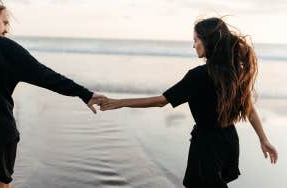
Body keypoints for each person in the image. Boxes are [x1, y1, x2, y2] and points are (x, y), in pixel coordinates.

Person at [0, 0, 104, 187]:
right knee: (2, 184)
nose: (7, 29)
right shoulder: (6, 47)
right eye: (5, 22)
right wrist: (85, 94)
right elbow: (45, 76)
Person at [99, 17, 278, 188]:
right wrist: (263, 139)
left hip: (207, 144)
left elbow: (161, 101)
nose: (193, 45)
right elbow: (250, 109)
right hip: (229, 141)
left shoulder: (198, 76)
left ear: (208, 41)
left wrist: (118, 102)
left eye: (196, 40)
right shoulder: (234, 72)